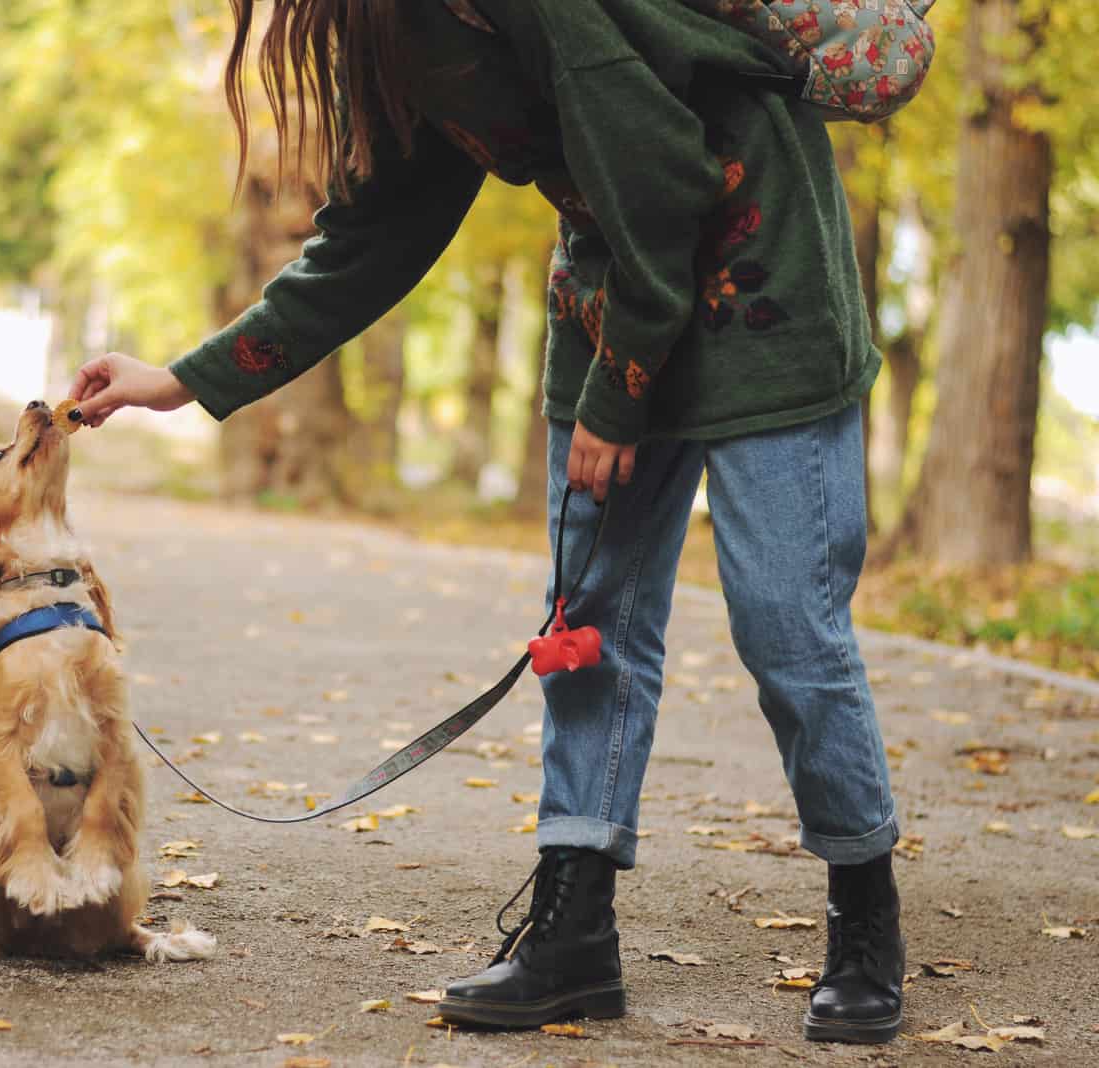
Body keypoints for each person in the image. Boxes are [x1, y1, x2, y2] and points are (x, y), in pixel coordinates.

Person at [69, 0, 905, 1046]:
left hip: (759, 277)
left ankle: (863, 918)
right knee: (587, 627)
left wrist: (619, 392)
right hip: (615, 289)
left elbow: (661, 170)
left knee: (787, 622)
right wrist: (187, 380)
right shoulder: (382, 27)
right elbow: (379, 229)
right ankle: (573, 934)